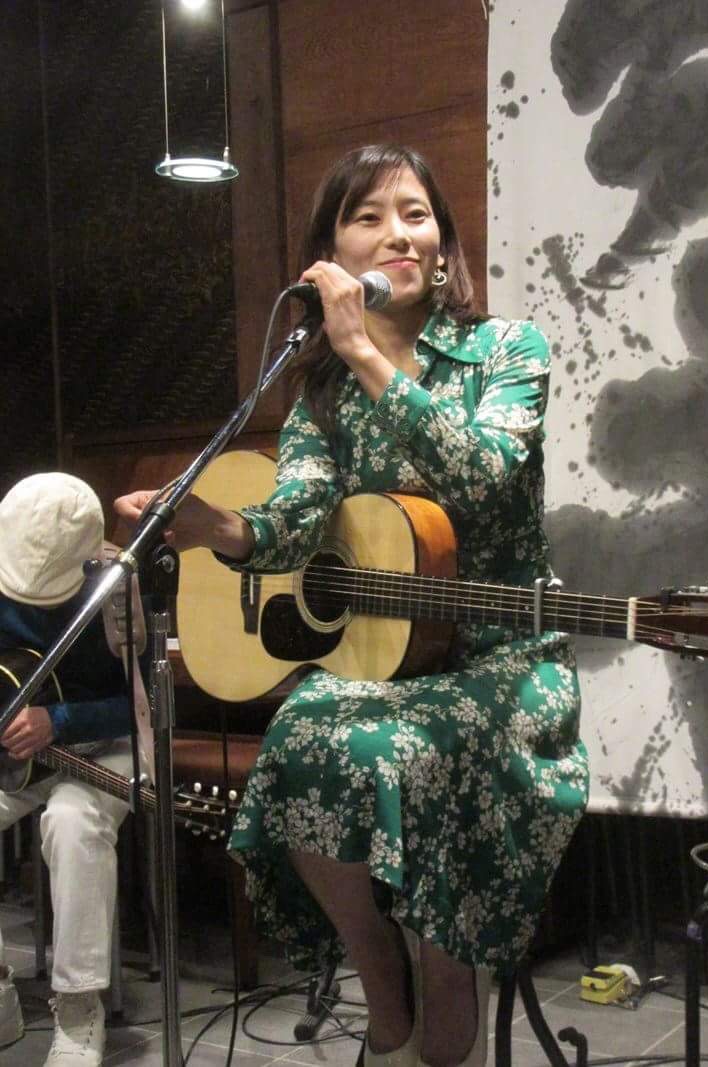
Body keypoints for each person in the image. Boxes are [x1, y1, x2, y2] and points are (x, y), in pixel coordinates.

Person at [116, 143, 590, 1067]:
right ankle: (383, 982)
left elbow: (483, 477)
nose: (398, 235)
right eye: (367, 218)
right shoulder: (321, 396)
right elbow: (295, 521)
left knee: (408, 750)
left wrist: (366, 353)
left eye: (415, 214)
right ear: (329, 257)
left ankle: (448, 989)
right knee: (299, 737)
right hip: (387, 662)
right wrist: (217, 526)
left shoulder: (507, 350)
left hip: (506, 662)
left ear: (444, 245)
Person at [0, 472, 135, 1066]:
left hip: (108, 749)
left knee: (73, 821)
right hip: (19, 759)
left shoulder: (119, 585)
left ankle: (80, 1011)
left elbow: (145, 708)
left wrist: (59, 719)